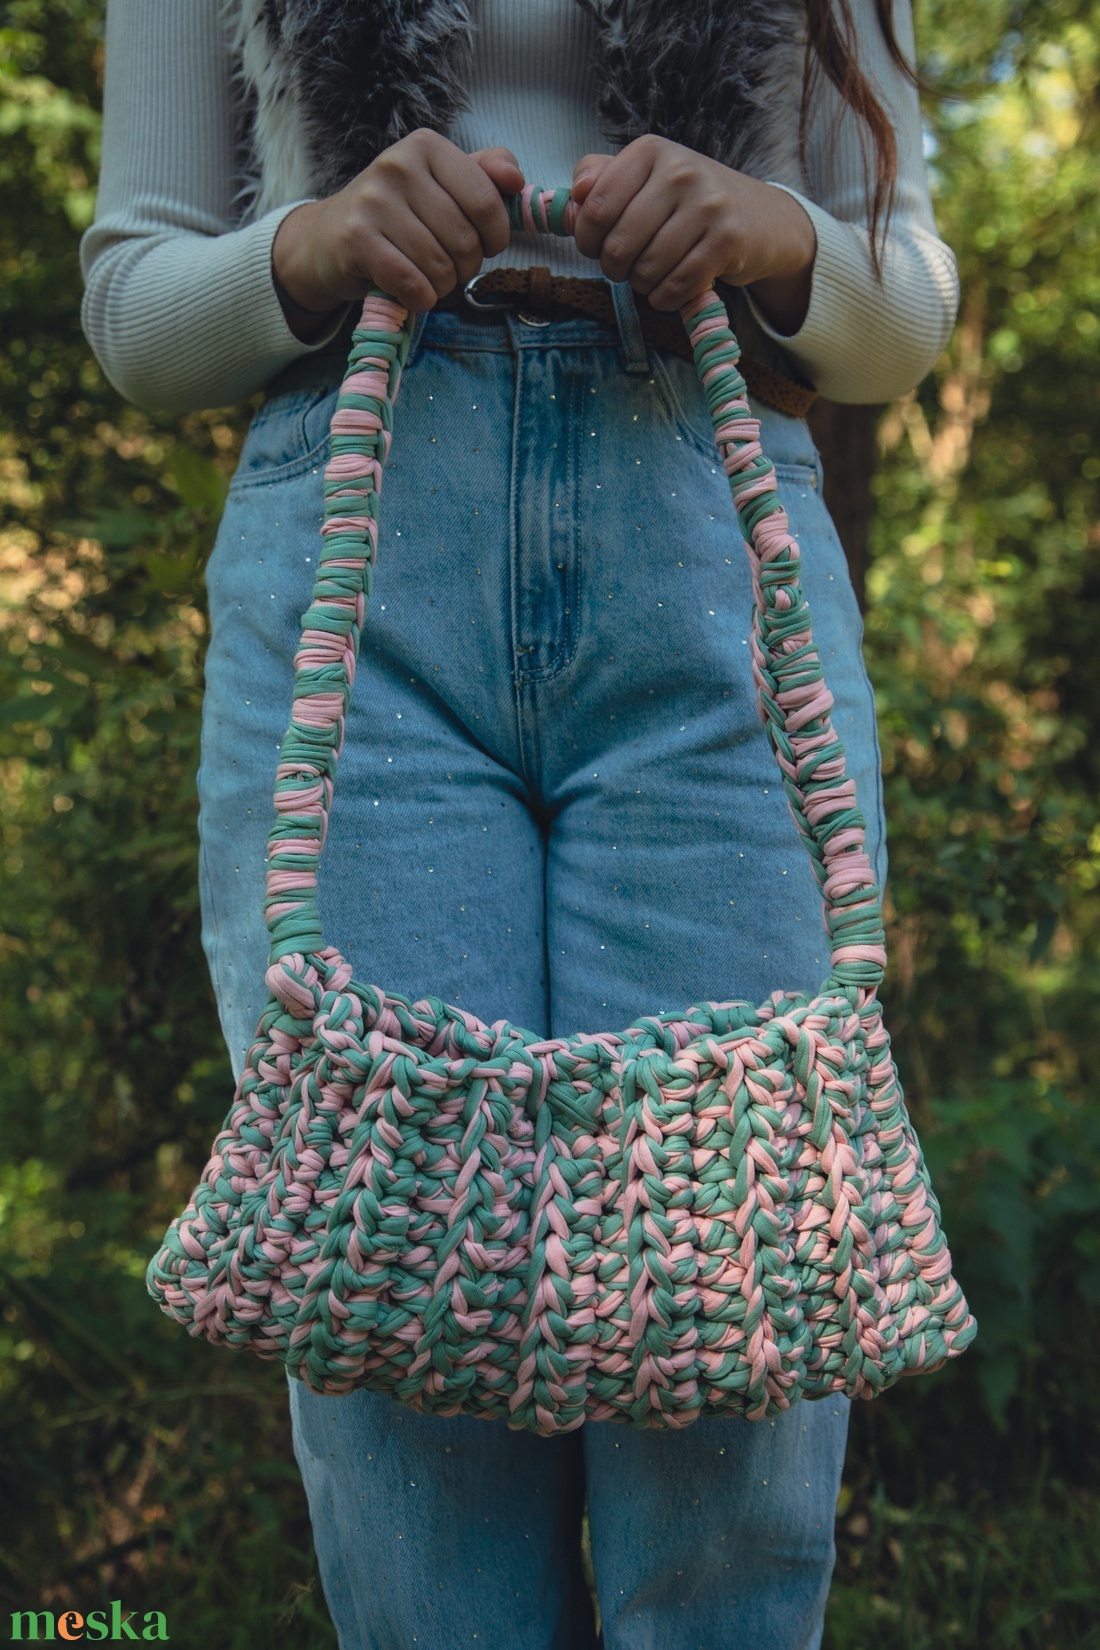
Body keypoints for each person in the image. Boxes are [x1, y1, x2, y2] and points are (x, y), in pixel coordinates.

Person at [80, 2, 957, 1646]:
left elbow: (904, 307)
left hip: (711, 547)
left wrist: (780, 236)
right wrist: (315, 241)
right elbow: (134, 308)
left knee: (738, 1359)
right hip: (362, 543)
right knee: (402, 1381)